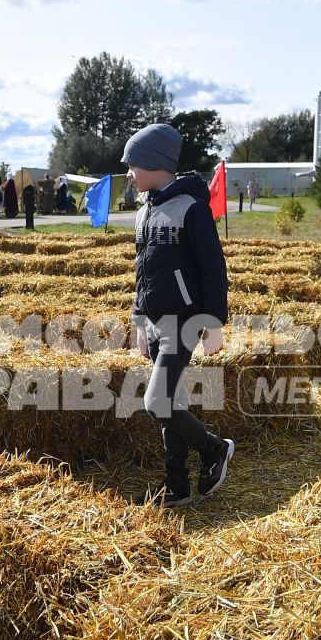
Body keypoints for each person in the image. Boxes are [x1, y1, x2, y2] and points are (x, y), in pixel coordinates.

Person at [123, 123, 236, 508]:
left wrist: (214, 325)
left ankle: (214, 449)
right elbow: (142, 272)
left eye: (133, 164)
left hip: (183, 324)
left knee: (156, 401)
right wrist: (139, 323)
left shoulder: (191, 209)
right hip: (154, 325)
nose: (129, 172)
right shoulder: (144, 214)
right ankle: (177, 486)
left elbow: (212, 269)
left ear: (155, 164)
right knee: (172, 403)